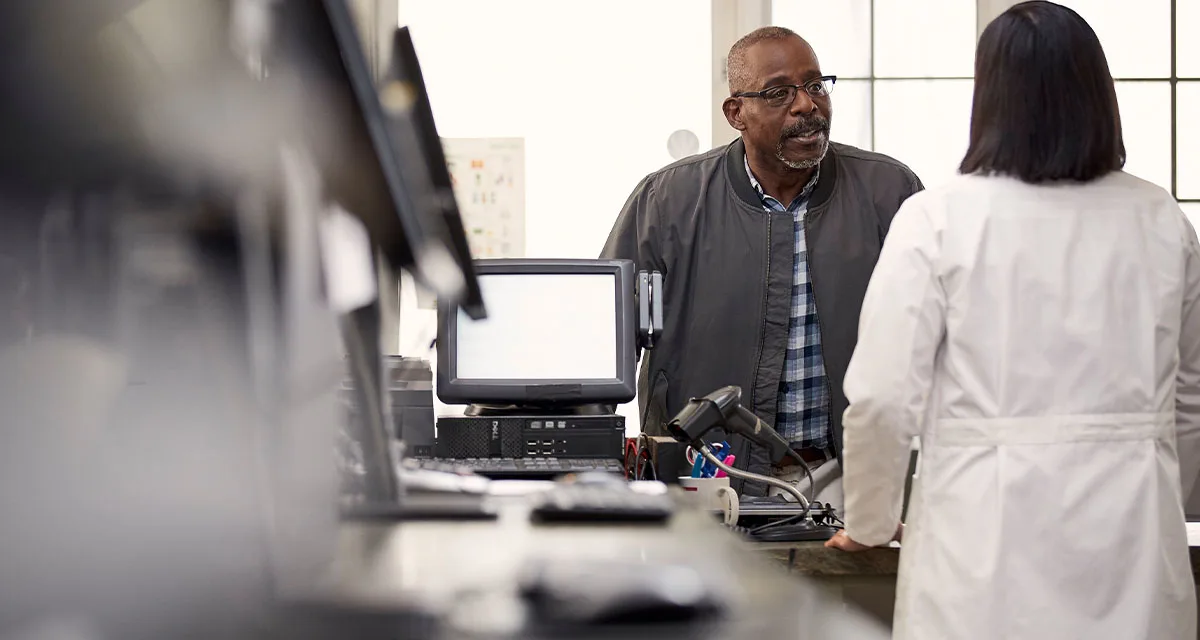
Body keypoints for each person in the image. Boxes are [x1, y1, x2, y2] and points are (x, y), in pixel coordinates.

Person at [826, 2, 1200, 638]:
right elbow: (1190, 401)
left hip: (982, 550)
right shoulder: (1160, 218)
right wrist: (1164, 496)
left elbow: (885, 399)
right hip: (1132, 544)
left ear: (989, 97)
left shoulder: (939, 218)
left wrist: (868, 519)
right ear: (1099, 94)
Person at [601, 26, 922, 508]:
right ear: (736, 113)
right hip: (707, 480)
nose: (806, 105)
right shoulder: (666, 201)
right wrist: (590, 470)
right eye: (778, 93)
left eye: (815, 85)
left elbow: (937, 342)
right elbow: (604, 345)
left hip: (853, 479)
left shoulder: (889, 192)